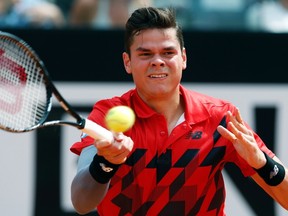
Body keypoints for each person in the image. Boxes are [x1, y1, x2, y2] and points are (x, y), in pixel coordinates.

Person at [70, 7, 288, 215]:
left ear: (183, 58)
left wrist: (261, 163)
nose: (157, 61)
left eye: (167, 52)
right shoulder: (107, 114)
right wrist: (106, 162)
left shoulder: (221, 118)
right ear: (127, 62)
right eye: (145, 54)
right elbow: (81, 202)